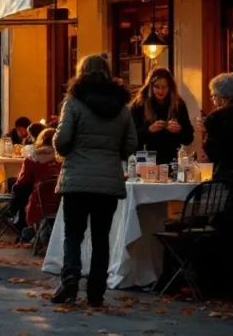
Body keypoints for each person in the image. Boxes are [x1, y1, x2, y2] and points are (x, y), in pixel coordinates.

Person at [51, 54, 136, 306]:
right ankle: (96, 289)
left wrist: (61, 142)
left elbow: (63, 141)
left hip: (77, 179)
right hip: (108, 181)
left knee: (73, 234)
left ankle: (70, 280)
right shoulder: (121, 106)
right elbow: (130, 143)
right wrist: (112, 153)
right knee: (101, 236)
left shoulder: (74, 102)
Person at [130, 68, 194, 166]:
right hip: (145, 161)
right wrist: (149, 130)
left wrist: (178, 130)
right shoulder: (139, 104)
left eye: (164, 87)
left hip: (171, 161)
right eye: (157, 87)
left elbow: (188, 138)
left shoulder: (178, 105)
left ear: (170, 87)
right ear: (150, 86)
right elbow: (131, 137)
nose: (160, 91)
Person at [10, 128, 62, 239]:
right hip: (59, 201)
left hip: (38, 203)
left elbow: (22, 181)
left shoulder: (32, 159)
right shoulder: (63, 159)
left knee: (19, 188)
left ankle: (16, 219)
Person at [200, 73, 233, 181]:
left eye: (213, 95)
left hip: (227, 178)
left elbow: (212, 153)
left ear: (222, 96)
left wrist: (206, 130)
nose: (212, 99)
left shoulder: (217, 117)